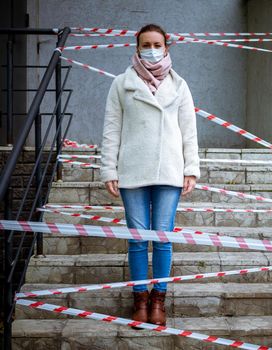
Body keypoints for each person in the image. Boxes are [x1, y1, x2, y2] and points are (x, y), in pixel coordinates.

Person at [100, 23, 200, 326]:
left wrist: (191, 169)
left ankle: (159, 301)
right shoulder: (121, 83)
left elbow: (189, 131)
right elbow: (111, 129)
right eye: (147, 44)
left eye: (157, 44)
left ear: (166, 47)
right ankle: (140, 300)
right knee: (137, 240)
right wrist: (109, 168)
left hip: (169, 171)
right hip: (133, 172)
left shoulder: (179, 85)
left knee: (163, 238)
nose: (152, 50)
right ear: (137, 46)